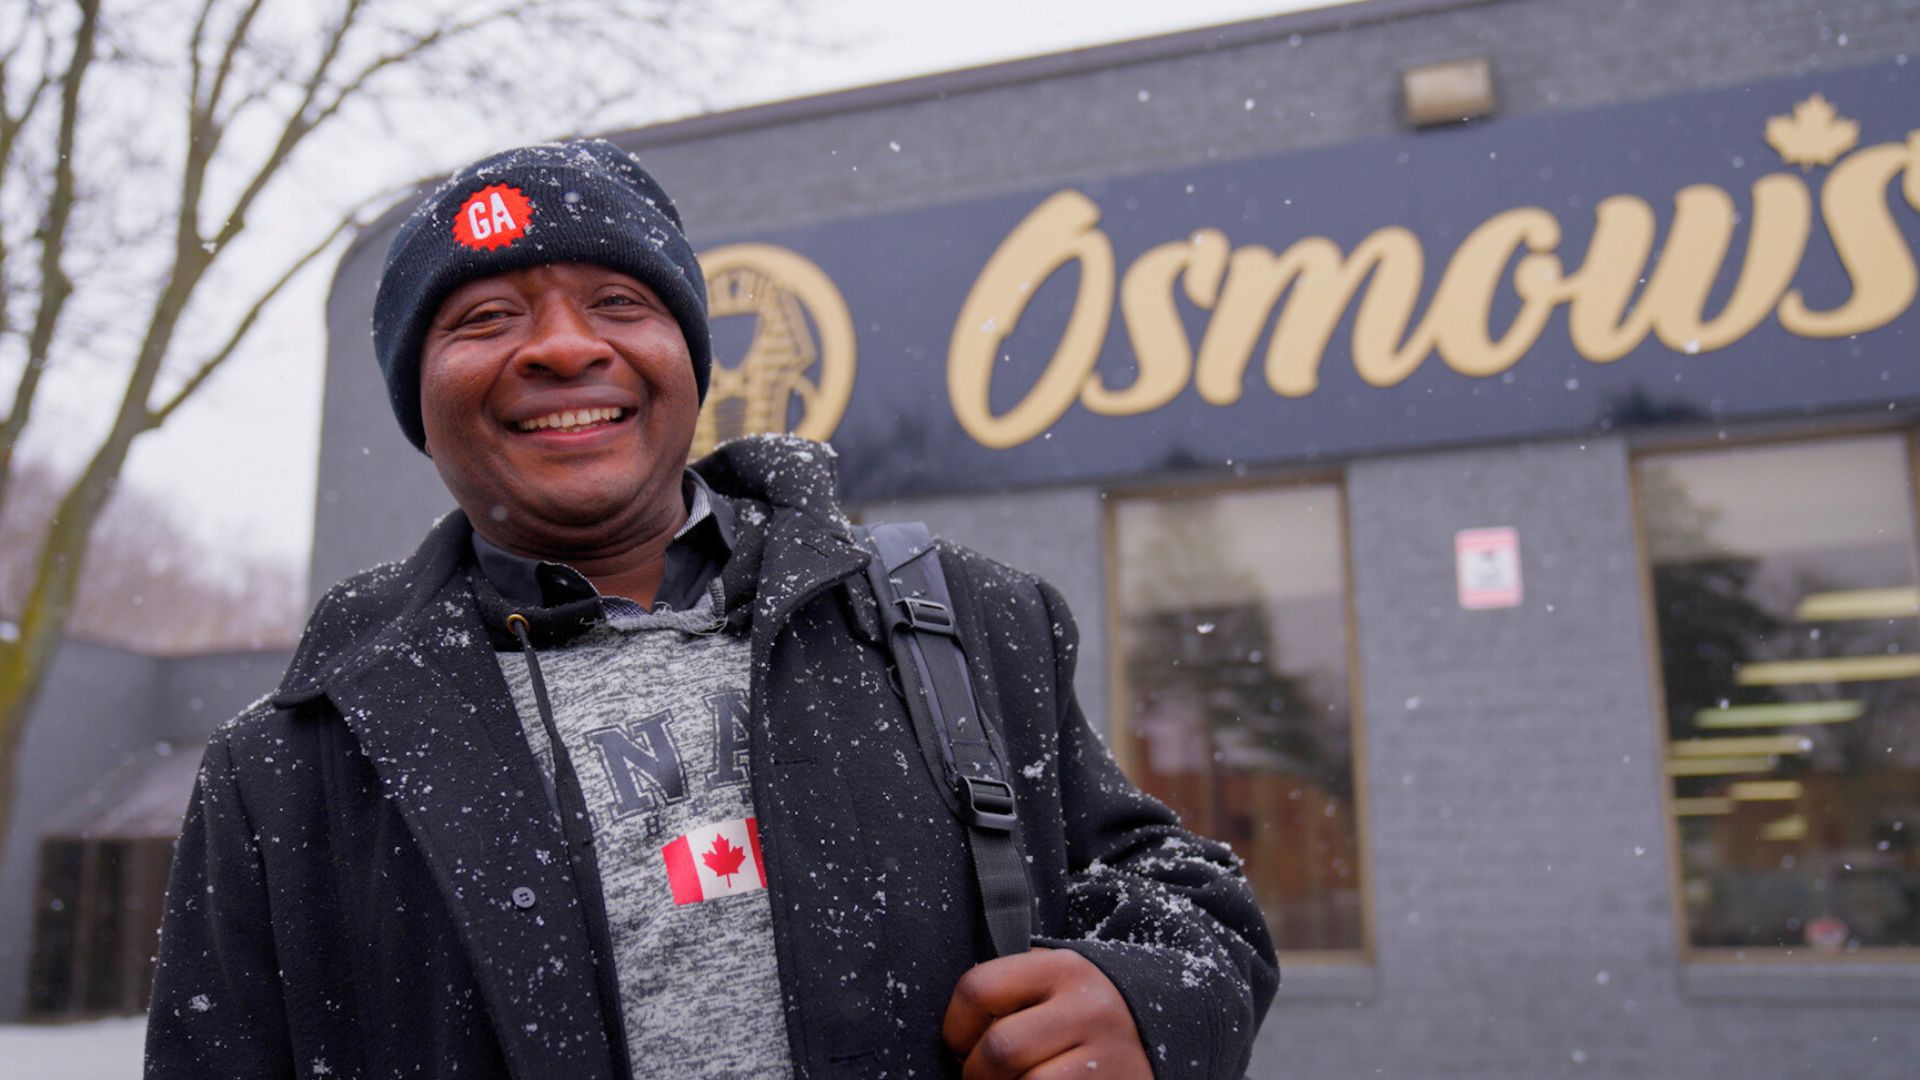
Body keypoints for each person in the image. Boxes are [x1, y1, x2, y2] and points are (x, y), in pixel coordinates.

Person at [145, 140, 1277, 1079]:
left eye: (618, 303)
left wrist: (1150, 1006)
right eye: (485, 318)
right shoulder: (289, 766)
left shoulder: (963, 625)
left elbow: (1180, 894)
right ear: (419, 404)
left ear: (684, 358)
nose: (563, 345)